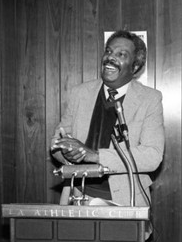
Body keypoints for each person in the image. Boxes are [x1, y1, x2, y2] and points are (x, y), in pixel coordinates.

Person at [51, 30, 164, 207]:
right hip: (79, 195)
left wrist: (96, 156)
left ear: (135, 67)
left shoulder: (150, 99)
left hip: (126, 199)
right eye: (109, 51)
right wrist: (67, 152)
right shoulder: (80, 93)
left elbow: (152, 156)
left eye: (121, 54)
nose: (110, 58)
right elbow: (57, 140)